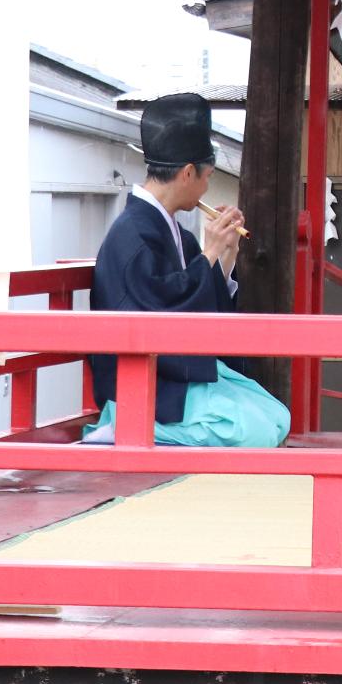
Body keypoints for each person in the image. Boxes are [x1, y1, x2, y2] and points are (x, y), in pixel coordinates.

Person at [85, 93, 289, 448]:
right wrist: (209, 252)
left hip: (177, 377)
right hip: (145, 386)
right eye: (208, 176)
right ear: (188, 173)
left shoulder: (174, 231)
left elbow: (197, 298)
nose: (208, 187)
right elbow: (160, 312)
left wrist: (224, 254)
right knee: (252, 433)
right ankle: (122, 427)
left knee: (276, 418)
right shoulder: (131, 237)